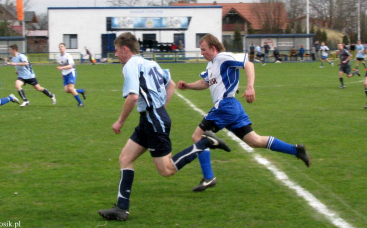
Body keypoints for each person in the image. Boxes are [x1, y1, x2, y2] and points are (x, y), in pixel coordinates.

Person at [98, 32, 230, 221]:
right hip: (151, 118)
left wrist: (120, 121)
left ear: (125, 49)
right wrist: (160, 109)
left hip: (153, 119)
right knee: (125, 158)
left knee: (166, 170)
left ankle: (205, 143)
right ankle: (121, 208)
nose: (116, 55)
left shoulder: (130, 66)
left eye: (117, 51)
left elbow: (133, 96)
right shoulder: (151, 63)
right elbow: (172, 85)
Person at [177, 34, 311, 192]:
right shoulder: (211, 65)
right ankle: (295, 150)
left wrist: (250, 86)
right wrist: (188, 86)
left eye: (204, 50)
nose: (202, 53)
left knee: (198, 136)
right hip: (232, 107)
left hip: (225, 106)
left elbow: (249, 64)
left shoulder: (222, 57)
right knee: (254, 141)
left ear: (213, 48)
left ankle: (209, 177)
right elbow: (204, 83)